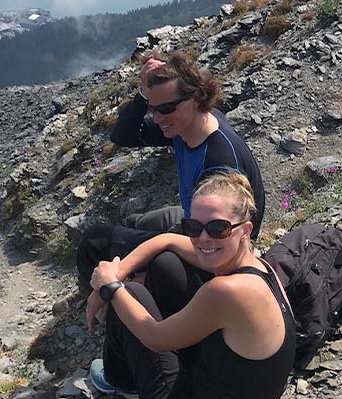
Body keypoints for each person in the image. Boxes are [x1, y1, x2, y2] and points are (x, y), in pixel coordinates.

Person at [77, 51, 265, 302]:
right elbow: (123, 135)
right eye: (153, 109)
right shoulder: (189, 124)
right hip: (198, 223)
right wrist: (144, 93)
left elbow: (222, 241)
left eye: (166, 108)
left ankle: (104, 300)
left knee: (95, 240)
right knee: (135, 223)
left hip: (215, 249)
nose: (158, 118)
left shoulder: (218, 162)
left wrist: (161, 246)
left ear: (197, 98)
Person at [88, 172, 294, 399]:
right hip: (235, 381)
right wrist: (120, 268)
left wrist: (110, 286)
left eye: (218, 228)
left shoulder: (227, 291)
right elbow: (167, 240)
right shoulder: (261, 267)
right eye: (193, 227)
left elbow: (155, 337)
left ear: (245, 230)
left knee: (131, 295)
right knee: (167, 264)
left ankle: (123, 382)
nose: (204, 238)